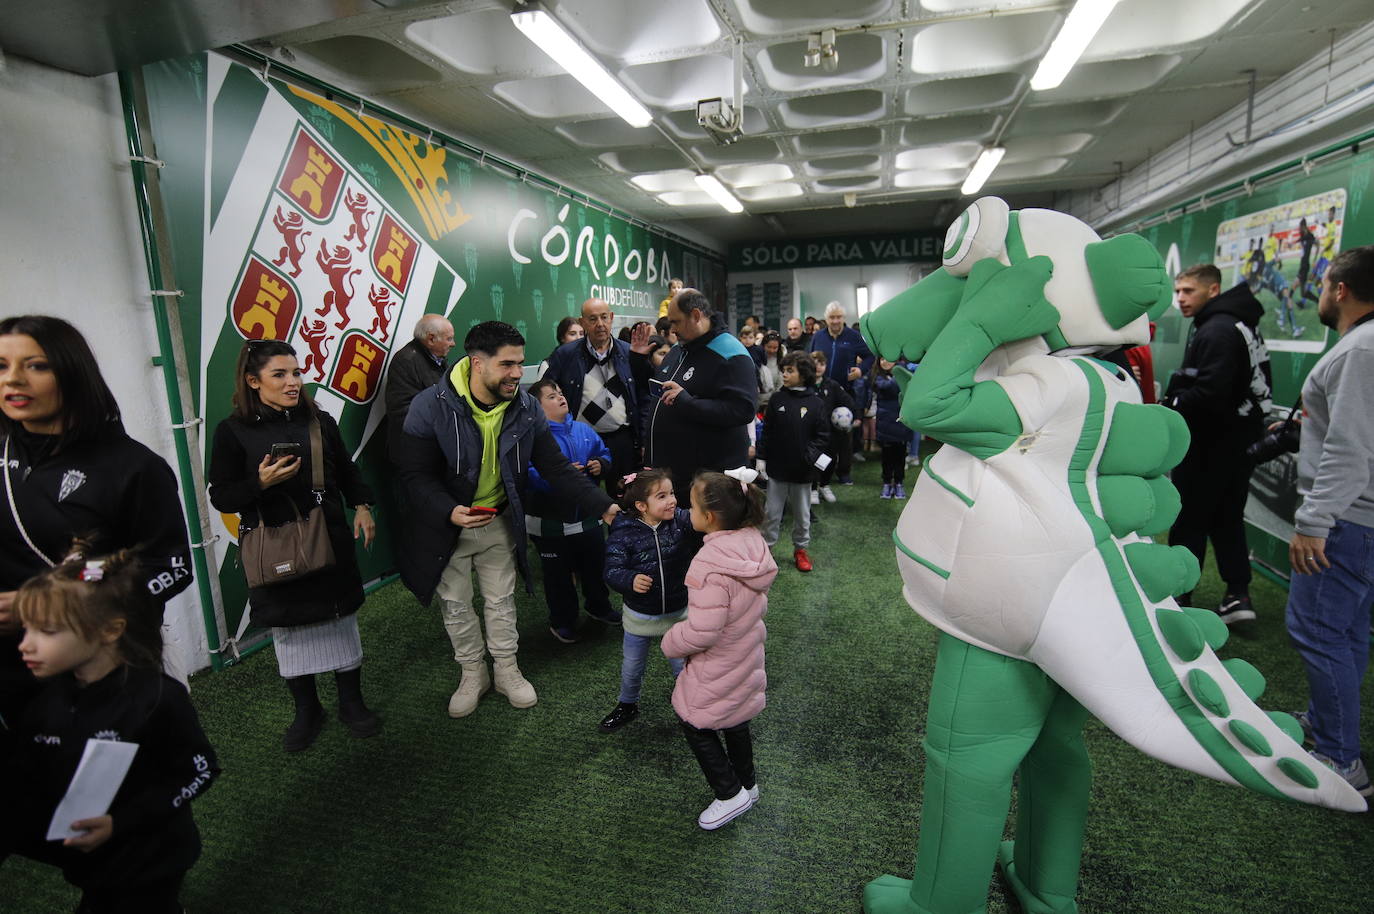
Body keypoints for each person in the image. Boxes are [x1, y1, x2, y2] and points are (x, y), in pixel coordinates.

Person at [396, 321, 616, 717]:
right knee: (457, 605)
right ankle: (472, 673)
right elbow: (413, 476)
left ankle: (507, 671)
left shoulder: (527, 407)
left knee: (501, 603)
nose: (518, 373)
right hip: (446, 528)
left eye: (520, 363)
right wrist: (448, 510)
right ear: (477, 363)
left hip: (498, 522)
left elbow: (557, 469)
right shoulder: (429, 405)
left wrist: (605, 507)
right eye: (508, 364)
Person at [0, 315, 192, 758]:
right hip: (13, 672)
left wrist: (65, 596)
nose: (13, 379)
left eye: (36, 365)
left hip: (104, 667)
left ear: (72, 371)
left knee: (119, 809)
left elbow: (171, 567)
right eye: (3, 365)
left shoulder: (132, 467)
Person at [4, 547, 218, 913]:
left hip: (152, 865)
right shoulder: (44, 704)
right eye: (26, 629)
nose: (25, 644)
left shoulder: (158, 699)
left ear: (110, 630)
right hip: (91, 869)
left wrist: (120, 823)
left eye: (47, 631)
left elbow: (201, 769)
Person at [208, 340, 379, 750]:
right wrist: (260, 484)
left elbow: (348, 470)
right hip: (274, 547)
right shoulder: (232, 431)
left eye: (296, 373)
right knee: (287, 627)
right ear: (253, 381)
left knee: (340, 620)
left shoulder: (320, 421)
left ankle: (351, 702)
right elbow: (222, 496)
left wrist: (362, 505)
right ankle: (307, 710)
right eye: (279, 375)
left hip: (328, 537)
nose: (292, 382)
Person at [1284, 245, 1374, 797]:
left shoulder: (1359, 350)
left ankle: (1339, 760)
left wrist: (1315, 520)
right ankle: (1326, 727)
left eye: (1322, 285)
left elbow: (1348, 449)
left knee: (1317, 630)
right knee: (1343, 631)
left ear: (1339, 289)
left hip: (1346, 521)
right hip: (1359, 521)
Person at [662, 468, 776, 830]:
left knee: (694, 719)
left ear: (709, 517)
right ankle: (748, 783)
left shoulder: (708, 566)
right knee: (736, 717)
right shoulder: (751, 542)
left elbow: (704, 631)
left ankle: (729, 793)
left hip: (718, 663)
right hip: (745, 655)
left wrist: (671, 641)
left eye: (691, 506)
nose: (685, 510)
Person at [1163, 264, 1272, 624]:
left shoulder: (1218, 330)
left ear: (1213, 290)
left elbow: (1211, 393)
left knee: (1190, 520)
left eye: (1188, 291)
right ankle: (1237, 595)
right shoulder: (1239, 323)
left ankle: (1179, 594)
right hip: (1237, 442)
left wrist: (1173, 403)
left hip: (1212, 443)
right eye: (1178, 291)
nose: (1180, 298)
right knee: (1226, 519)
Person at [598, 468, 693, 732]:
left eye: (672, 493)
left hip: (678, 614)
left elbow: (703, 518)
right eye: (662, 496)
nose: (672, 500)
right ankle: (627, 704)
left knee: (684, 668)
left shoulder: (679, 520)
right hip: (640, 616)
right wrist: (630, 580)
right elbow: (612, 570)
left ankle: (690, 706)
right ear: (641, 506)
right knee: (632, 667)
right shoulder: (623, 531)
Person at [524, 378, 618, 644]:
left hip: (588, 519)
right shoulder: (533, 438)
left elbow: (605, 453)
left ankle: (598, 606)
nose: (560, 398)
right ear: (537, 409)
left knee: (595, 566)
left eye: (561, 393)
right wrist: (559, 477)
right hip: (549, 522)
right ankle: (562, 620)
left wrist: (602, 464)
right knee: (558, 576)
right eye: (551, 397)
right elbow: (528, 474)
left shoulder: (583, 429)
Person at [646, 289, 758, 498]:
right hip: (672, 476)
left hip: (706, 481)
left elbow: (742, 410)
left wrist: (687, 403)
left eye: (676, 321)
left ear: (696, 316)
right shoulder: (680, 348)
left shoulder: (731, 354)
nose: (672, 329)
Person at [540, 297, 651, 496]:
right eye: (592, 319)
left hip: (622, 440)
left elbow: (644, 400)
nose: (600, 324)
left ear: (612, 318)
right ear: (582, 322)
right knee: (585, 497)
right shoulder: (565, 355)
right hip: (583, 441)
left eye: (604, 317)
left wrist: (644, 440)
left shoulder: (629, 353)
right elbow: (547, 394)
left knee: (625, 498)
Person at [758, 351, 829, 572]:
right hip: (777, 470)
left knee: (802, 514)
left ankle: (800, 549)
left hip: (803, 473)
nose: (785, 374)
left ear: (804, 374)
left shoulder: (816, 403)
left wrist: (809, 455)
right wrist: (761, 457)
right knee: (771, 514)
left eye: (790, 370)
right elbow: (767, 431)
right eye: (784, 370)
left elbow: (823, 436)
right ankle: (766, 551)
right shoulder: (777, 399)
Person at [809, 301, 873, 486]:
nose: (835, 321)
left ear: (844, 319)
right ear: (826, 319)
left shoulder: (853, 336)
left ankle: (844, 472)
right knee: (820, 434)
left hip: (845, 392)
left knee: (844, 435)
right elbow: (809, 357)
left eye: (839, 317)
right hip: (820, 393)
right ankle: (819, 473)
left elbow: (870, 356)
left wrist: (860, 371)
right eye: (832, 317)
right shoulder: (818, 337)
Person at [385, 314, 454, 459]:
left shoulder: (437, 361)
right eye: (449, 339)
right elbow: (402, 411)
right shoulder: (407, 361)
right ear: (431, 339)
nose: (453, 344)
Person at [808, 349, 856, 505]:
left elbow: (848, 402)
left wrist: (854, 417)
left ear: (826, 366)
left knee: (829, 460)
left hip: (830, 433)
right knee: (813, 461)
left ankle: (824, 485)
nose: (819, 367)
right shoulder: (805, 386)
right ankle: (813, 488)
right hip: (810, 433)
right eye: (815, 364)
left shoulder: (832, 385)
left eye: (822, 364)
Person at [873, 359, 914, 499]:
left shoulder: (902, 374)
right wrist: (901, 372)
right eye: (882, 359)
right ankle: (886, 482)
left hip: (902, 425)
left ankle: (898, 483)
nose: (885, 362)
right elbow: (888, 387)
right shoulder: (879, 377)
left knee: (900, 457)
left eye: (888, 359)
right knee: (886, 457)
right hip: (886, 427)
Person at [753, 331, 784, 408]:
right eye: (769, 347)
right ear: (763, 345)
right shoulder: (755, 358)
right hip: (755, 401)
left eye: (775, 348)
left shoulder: (780, 361)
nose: (771, 350)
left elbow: (780, 385)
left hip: (773, 403)